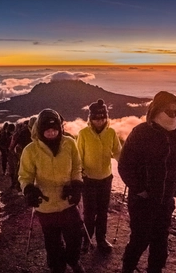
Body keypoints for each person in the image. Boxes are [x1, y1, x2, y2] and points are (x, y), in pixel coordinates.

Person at [118, 91, 176, 273]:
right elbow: (125, 165)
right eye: (169, 110)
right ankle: (127, 268)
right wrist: (140, 190)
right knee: (140, 239)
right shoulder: (141, 132)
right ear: (158, 110)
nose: (174, 114)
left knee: (160, 241)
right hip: (142, 201)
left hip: (166, 200)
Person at [18, 109, 85, 273]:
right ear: (40, 130)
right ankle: (58, 266)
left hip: (67, 201)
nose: (51, 133)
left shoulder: (69, 144)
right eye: (47, 130)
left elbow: (77, 167)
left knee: (76, 236)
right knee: (53, 242)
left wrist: (76, 184)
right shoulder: (30, 150)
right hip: (46, 205)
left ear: (60, 128)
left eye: (54, 129)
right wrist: (29, 190)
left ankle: (72, 259)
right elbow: (25, 175)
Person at [77, 99, 122, 253]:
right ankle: (87, 240)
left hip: (105, 178)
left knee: (102, 211)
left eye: (102, 117)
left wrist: (125, 164)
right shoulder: (83, 134)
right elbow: (79, 156)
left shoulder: (111, 132)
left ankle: (101, 239)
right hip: (88, 179)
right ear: (91, 118)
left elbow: (117, 151)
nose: (100, 120)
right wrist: (79, 173)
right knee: (90, 212)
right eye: (96, 118)